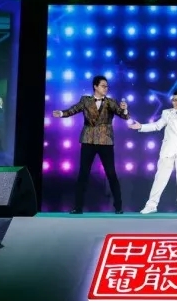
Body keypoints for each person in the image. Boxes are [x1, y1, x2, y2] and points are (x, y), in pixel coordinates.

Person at [52, 75, 128, 214]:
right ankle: (78, 207)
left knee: (111, 173)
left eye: (107, 86)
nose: (106, 88)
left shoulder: (110, 102)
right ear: (95, 86)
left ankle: (118, 207)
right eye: (103, 86)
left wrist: (124, 109)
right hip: (88, 140)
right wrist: (62, 113)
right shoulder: (85, 100)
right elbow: (73, 109)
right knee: (83, 173)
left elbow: (123, 115)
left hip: (105, 141)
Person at [128, 89, 177, 214]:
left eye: (176, 100)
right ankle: (151, 205)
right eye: (173, 100)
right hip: (168, 150)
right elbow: (157, 125)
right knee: (160, 178)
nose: (174, 102)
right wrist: (141, 127)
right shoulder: (167, 113)